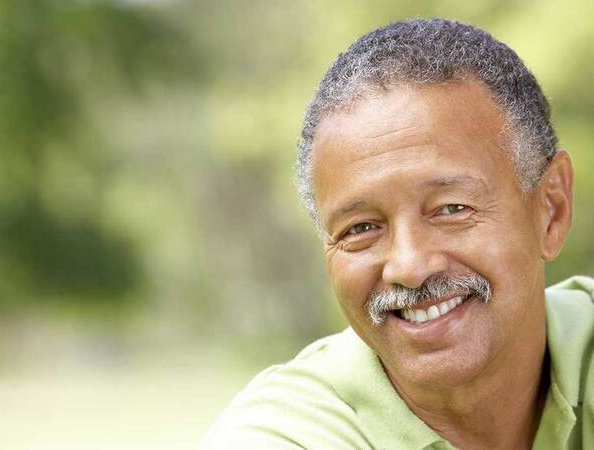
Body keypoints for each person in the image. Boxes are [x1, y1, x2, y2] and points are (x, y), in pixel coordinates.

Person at [200, 19, 593, 450]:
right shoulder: (280, 437)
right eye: (362, 228)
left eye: (451, 209)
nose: (409, 266)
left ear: (551, 210)